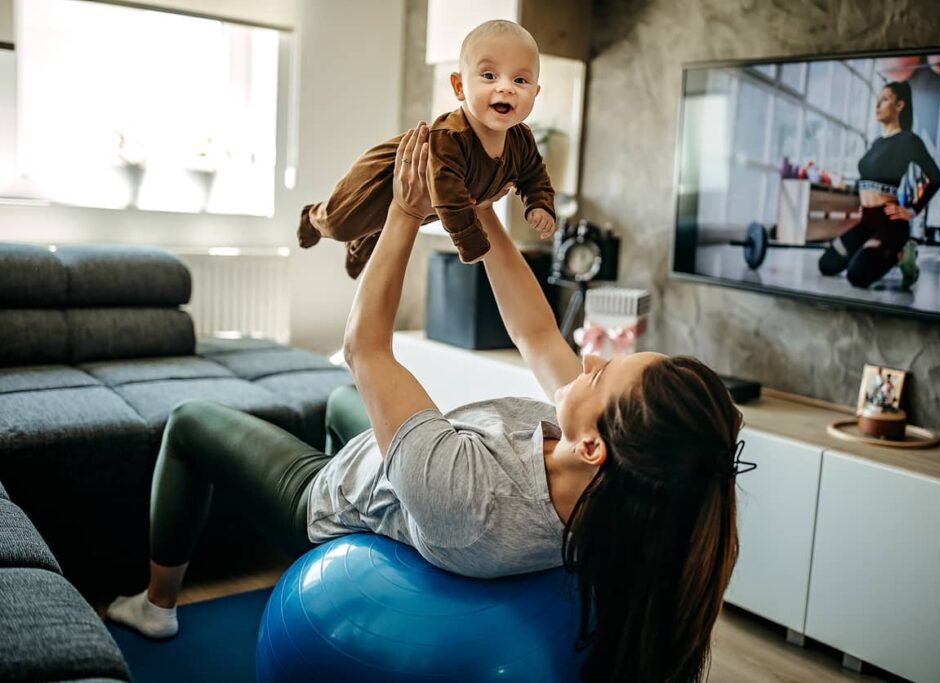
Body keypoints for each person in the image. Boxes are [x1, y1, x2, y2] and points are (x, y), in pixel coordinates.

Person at [107, 125, 750, 683]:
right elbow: (534, 332)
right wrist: (482, 212)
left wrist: (405, 214)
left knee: (191, 423)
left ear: (594, 446)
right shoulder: (600, 474)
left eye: (604, 372)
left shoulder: (469, 503)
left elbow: (365, 348)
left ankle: (157, 606)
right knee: (338, 402)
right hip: (422, 461)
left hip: (336, 497)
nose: (589, 359)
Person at [296, 19, 557, 278]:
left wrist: (539, 203)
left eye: (520, 80)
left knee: (390, 223)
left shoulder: (521, 141)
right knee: (341, 223)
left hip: (424, 205)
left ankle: (360, 244)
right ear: (459, 87)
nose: (506, 87)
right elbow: (448, 193)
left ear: (535, 92)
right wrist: (469, 239)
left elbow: (534, 175)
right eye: (489, 76)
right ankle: (313, 217)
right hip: (386, 173)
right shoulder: (452, 135)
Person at [818, 81, 940, 289]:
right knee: (827, 265)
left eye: (884, 100)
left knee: (856, 275)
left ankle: (903, 254)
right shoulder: (876, 143)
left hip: (889, 222)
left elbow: (936, 178)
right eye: (877, 101)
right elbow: (867, 180)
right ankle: (872, 254)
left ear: (900, 105)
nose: (877, 106)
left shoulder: (909, 141)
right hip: (866, 221)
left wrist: (912, 210)